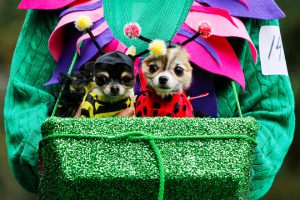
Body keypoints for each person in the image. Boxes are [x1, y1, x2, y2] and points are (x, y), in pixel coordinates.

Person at [4, 0, 295, 199]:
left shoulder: (249, 5)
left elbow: (273, 111)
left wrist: (226, 175)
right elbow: (27, 101)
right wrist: (56, 166)